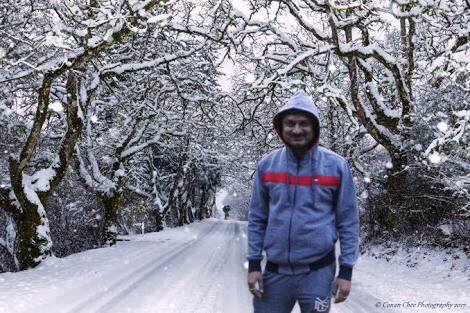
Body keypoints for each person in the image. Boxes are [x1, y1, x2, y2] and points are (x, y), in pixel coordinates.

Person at [247, 90, 359, 313]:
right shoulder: (267, 166)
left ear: (314, 128)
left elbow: (348, 222)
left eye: (303, 123)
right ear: (281, 127)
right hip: (274, 274)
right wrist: (253, 264)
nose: (296, 130)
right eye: (290, 123)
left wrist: (346, 271)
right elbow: (257, 219)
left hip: (318, 273)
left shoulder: (336, 166)